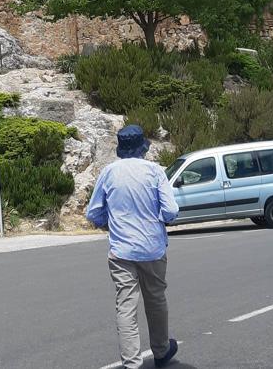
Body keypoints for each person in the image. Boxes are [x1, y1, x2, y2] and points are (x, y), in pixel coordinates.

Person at [86, 124, 180, 369]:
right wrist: (158, 220)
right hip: (152, 248)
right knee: (156, 300)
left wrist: (108, 224)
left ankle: (132, 363)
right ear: (143, 148)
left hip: (121, 250)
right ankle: (160, 351)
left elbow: (94, 212)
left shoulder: (108, 172)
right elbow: (171, 210)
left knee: (126, 306)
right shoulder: (155, 171)